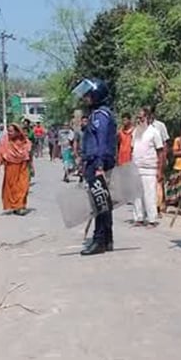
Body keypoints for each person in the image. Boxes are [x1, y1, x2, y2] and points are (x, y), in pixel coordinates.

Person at [72, 78, 117, 255]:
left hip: (99, 163)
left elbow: (101, 143)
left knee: (99, 204)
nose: (85, 98)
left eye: (88, 95)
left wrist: (98, 166)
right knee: (104, 203)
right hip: (96, 162)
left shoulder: (100, 116)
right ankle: (107, 238)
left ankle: (99, 240)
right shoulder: (99, 113)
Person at [132, 107, 164, 228]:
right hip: (136, 167)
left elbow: (160, 151)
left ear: (147, 118)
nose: (139, 120)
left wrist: (160, 170)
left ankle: (152, 219)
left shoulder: (154, 132)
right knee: (136, 194)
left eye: (141, 118)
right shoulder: (135, 132)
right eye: (138, 118)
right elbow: (132, 148)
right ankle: (138, 218)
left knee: (149, 194)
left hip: (149, 168)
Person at [0, 123, 33, 215]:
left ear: (17, 132)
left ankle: (20, 206)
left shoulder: (24, 141)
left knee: (23, 186)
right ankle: (15, 206)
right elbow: (1, 152)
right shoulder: (5, 141)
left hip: (22, 166)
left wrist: (31, 166)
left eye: (11, 131)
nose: (9, 133)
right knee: (12, 187)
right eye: (8, 131)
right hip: (10, 166)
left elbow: (28, 153)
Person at [147, 107, 170, 215]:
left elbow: (165, 143)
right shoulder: (142, 126)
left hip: (158, 156)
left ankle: (160, 205)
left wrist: (164, 157)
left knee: (159, 180)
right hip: (147, 158)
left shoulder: (160, 126)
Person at [165, 121, 181, 211]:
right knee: (175, 188)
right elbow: (175, 153)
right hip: (179, 166)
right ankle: (170, 204)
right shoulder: (178, 140)